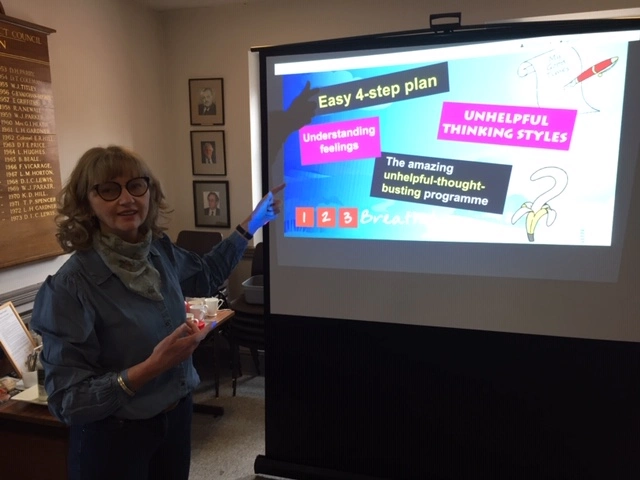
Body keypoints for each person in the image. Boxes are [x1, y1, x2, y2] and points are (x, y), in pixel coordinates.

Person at [29, 145, 284, 480]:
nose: (126, 199)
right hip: (114, 438)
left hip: (176, 419)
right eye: (108, 189)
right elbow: (67, 401)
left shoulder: (158, 252)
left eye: (136, 185)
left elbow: (205, 274)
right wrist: (150, 368)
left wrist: (251, 224)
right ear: (85, 202)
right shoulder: (70, 287)